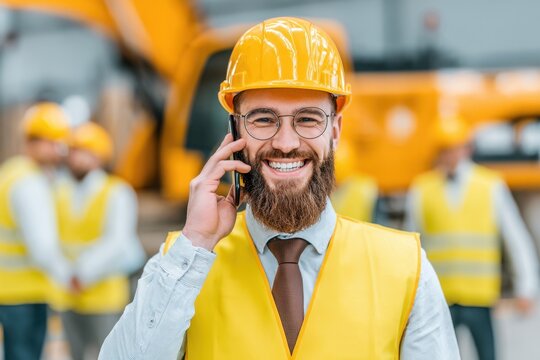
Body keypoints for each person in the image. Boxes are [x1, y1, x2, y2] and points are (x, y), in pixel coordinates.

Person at [100, 17, 459, 359]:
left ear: (335, 131)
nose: (286, 142)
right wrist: (195, 243)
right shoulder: (184, 262)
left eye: (307, 119)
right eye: (263, 119)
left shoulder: (405, 269)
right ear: (235, 131)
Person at [405, 115, 539, 360]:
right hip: (439, 297)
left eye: (454, 148)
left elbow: (515, 237)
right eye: (445, 150)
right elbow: (410, 248)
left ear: (467, 148)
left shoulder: (490, 185)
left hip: (480, 296)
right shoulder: (422, 189)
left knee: (488, 355)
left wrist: (526, 286)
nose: (450, 156)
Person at [52, 121, 145, 360]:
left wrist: (81, 273)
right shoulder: (59, 191)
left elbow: (117, 242)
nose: (77, 158)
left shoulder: (117, 191)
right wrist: (66, 274)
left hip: (104, 293)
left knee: (109, 352)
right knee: (75, 352)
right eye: (73, 151)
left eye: (84, 152)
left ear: (100, 157)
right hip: (67, 292)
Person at [0, 102, 74, 360]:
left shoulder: (12, 171)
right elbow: (42, 248)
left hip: (11, 293)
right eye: (53, 143)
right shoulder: (30, 184)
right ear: (33, 143)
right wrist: (69, 277)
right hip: (24, 295)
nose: (58, 150)